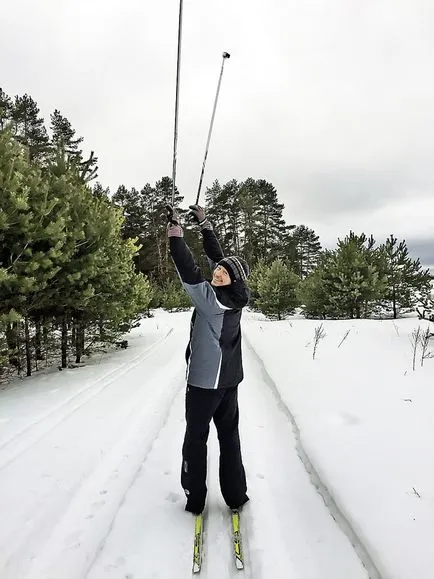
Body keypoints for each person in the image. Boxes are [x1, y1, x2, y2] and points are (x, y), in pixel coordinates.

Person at [166, 203, 250, 515]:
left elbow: (187, 268)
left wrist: (176, 232)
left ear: (231, 281)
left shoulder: (210, 299)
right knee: (229, 436)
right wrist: (205, 224)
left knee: (195, 439)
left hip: (204, 384)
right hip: (229, 381)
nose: (217, 272)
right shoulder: (236, 296)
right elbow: (221, 259)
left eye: (223, 273)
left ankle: (195, 498)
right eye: (218, 270)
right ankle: (235, 494)